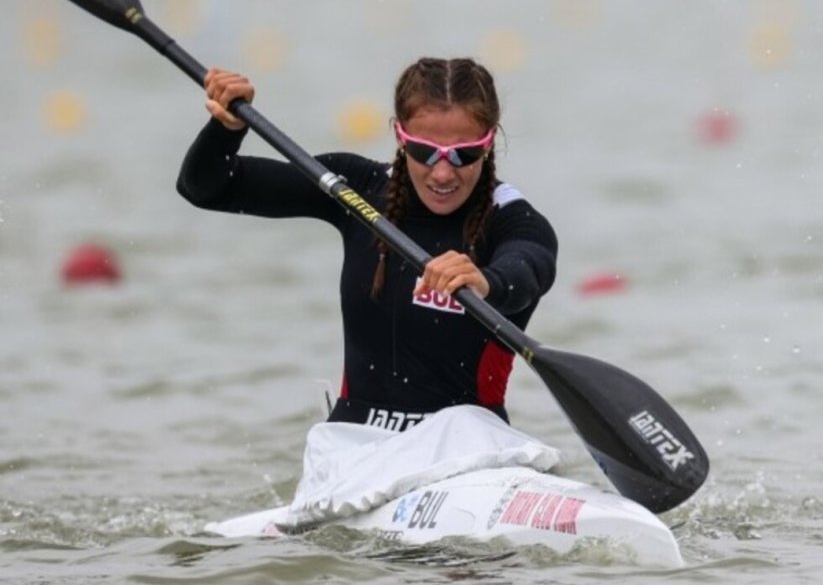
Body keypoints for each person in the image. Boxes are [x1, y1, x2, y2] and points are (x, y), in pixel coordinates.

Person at [177, 57, 558, 433]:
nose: (443, 172)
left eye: (464, 154)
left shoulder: (513, 219)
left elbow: (529, 267)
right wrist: (225, 129)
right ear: (399, 135)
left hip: (468, 448)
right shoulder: (355, 188)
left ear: (489, 141)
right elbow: (207, 187)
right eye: (425, 152)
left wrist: (486, 281)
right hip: (352, 445)